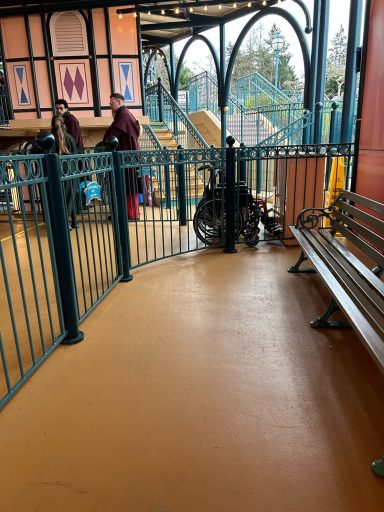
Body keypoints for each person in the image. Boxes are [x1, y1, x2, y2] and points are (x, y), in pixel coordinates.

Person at [103, 92, 141, 220]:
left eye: (111, 102)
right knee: (128, 187)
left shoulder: (123, 115)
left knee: (128, 187)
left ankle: (129, 214)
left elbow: (111, 134)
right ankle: (129, 214)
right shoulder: (125, 114)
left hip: (126, 159)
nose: (110, 104)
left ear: (118, 102)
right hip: (128, 158)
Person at [51, 114, 80, 229]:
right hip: (71, 169)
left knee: (61, 197)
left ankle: (65, 222)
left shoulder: (51, 137)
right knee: (72, 195)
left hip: (58, 170)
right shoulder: (70, 137)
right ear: (64, 124)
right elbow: (76, 154)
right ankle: (74, 221)